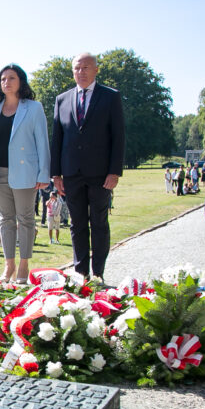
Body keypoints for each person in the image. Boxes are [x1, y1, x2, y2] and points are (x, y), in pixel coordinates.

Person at [49, 53, 124, 280]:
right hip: (71, 173)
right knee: (77, 223)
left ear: (96, 70)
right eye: (77, 68)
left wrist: (114, 171)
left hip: (101, 173)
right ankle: (81, 272)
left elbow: (118, 136)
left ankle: (98, 272)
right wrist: (56, 174)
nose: (81, 72)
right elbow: (57, 139)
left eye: (85, 68)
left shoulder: (110, 97)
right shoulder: (62, 100)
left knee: (99, 222)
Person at [0, 63, 50, 283]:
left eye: (11, 78)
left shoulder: (33, 108)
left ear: (20, 81)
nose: (6, 82)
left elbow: (42, 142)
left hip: (25, 171)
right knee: (5, 220)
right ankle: (8, 265)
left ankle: (23, 266)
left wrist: (43, 173)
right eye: (3, 79)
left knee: (26, 219)